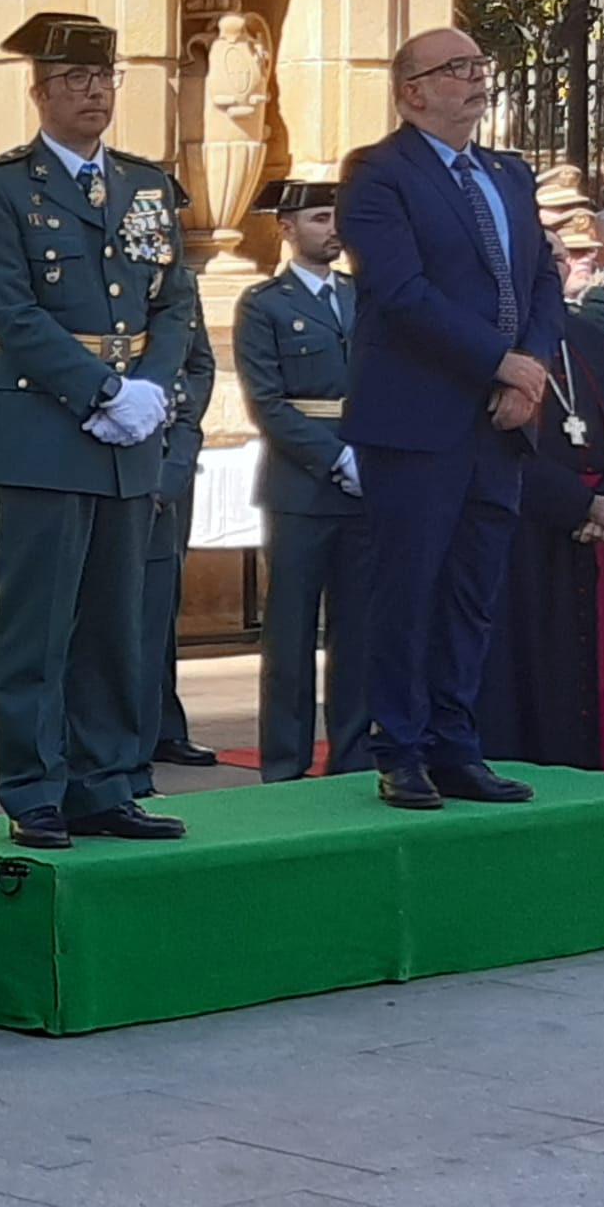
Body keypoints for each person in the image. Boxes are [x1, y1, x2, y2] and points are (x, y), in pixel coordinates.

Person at [0, 13, 200, 849]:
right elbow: (13, 312)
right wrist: (99, 388)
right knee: (37, 620)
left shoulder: (145, 185)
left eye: (103, 78)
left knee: (116, 617)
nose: (92, 91)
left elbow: (174, 302)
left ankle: (105, 782)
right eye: (72, 80)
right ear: (39, 93)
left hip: (131, 425)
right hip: (48, 423)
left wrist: (146, 387)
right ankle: (33, 784)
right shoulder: (4, 187)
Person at [338, 27, 564, 809]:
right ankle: (398, 746)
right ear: (411, 91)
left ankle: (457, 742)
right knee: (410, 585)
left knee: (472, 588)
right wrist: (498, 363)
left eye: (480, 65)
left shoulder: (507, 173)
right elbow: (402, 296)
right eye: (455, 69)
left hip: (500, 420)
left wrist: (527, 371)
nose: (476, 79)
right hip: (417, 416)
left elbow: (540, 281)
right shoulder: (379, 174)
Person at [235, 179, 371, 783]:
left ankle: (353, 755)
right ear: (287, 228)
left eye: (337, 217)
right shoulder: (265, 304)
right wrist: (338, 460)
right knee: (290, 635)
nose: (332, 228)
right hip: (302, 486)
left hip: (369, 479)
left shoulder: (365, 297)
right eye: (319, 217)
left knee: (360, 630)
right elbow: (268, 403)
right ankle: (285, 764)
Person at [475, 226, 604, 770]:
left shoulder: (589, 338)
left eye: (564, 259)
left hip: (596, 523)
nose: (559, 267)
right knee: (529, 654)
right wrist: (578, 505)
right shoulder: (498, 342)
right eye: (547, 258)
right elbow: (502, 439)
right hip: (526, 520)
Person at [136, 290, 219, 789]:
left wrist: (176, 465)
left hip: (170, 463)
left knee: (161, 604)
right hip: (120, 459)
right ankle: (128, 734)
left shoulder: (180, 284)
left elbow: (199, 368)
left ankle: (162, 723)